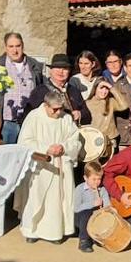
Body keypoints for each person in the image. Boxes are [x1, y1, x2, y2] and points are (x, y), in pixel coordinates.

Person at [15, 91, 82, 244]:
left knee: (57, 201)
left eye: (60, 108)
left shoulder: (65, 118)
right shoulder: (34, 117)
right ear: (45, 105)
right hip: (40, 166)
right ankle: (32, 230)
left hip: (61, 165)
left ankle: (56, 232)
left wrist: (63, 148)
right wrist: (46, 148)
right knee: (36, 197)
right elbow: (25, 142)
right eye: (54, 109)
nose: (58, 112)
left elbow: (75, 139)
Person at [0, 32, 44, 144]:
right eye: (11, 46)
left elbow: (39, 91)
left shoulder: (34, 65)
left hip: (28, 123)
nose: (15, 50)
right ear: (5, 47)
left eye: (18, 46)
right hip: (6, 124)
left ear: (23, 45)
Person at [25, 54, 91, 125]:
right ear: (51, 70)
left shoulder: (74, 91)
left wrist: (79, 114)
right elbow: (30, 116)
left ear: (69, 71)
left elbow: (87, 115)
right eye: (57, 68)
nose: (61, 71)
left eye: (65, 68)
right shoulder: (40, 91)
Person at [85, 77, 131, 153]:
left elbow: (124, 106)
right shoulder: (87, 103)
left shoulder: (111, 102)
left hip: (111, 140)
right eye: (101, 88)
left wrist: (112, 88)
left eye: (106, 89)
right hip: (94, 141)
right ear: (95, 88)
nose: (104, 91)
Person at [73, 162, 111, 253]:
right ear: (85, 178)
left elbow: (107, 205)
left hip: (96, 217)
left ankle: (98, 237)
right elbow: (76, 208)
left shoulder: (102, 190)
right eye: (93, 179)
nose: (97, 182)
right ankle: (84, 240)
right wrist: (92, 204)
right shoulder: (80, 189)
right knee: (86, 214)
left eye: (99, 179)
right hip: (81, 218)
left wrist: (107, 208)